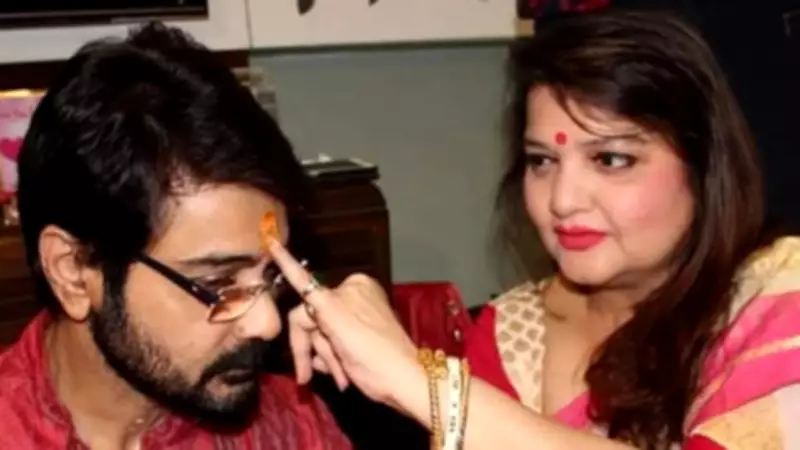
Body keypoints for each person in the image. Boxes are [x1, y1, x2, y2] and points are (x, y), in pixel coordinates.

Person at [266, 10, 800, 450]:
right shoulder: (515, 332)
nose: (562, 201)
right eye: (542, 161)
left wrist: (415, 379)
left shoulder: (779, 298)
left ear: (705, 170)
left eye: (611, 159)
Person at [0, 23, 351, 450]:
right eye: (218, 283)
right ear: (73, 271)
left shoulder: (290, 427)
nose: (267, 323)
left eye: (273, 275)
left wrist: (416, 383)